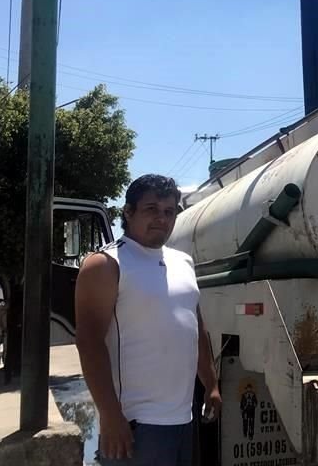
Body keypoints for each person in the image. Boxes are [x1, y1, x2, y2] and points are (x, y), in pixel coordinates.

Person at [75, 174, 221, 466]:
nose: (161, 219)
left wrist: (211, 383)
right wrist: (110, 414)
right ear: (128, 213)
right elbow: (89, 344)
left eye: (169, 212)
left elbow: (195, 327)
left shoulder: (183, 262)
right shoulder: (107, 264)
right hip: (135, 426)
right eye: (151, 209)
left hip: (183, 418)